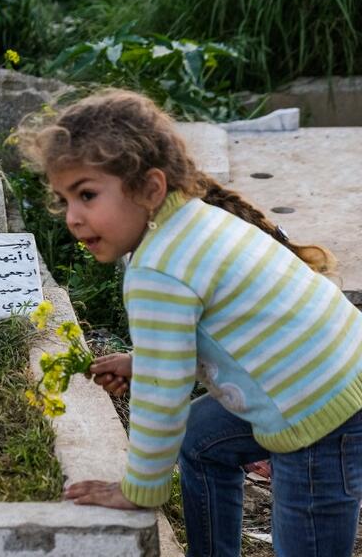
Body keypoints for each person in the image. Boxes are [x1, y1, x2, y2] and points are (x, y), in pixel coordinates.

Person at [22, 89, 362, 556]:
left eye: (86, 194)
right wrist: (144, 361)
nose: (74, 218)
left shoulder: (157, 269)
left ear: (150, 188)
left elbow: (163, 396)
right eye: (64, 200)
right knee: (202, 441)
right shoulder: (194, 220)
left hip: (320, 417)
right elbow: (204, 338)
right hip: (332, 374)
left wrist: (138, 489)